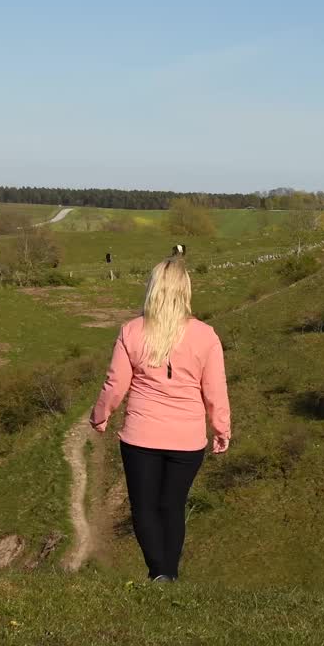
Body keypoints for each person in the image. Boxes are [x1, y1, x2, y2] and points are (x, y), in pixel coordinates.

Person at [90, 248, 230, 582]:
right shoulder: (205, 336)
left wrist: (100, 415)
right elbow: (215, 390)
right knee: (172, 506)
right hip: (188, 439)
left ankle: (159, 574)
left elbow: (115, 383)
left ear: (153, 288)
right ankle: (169, 574)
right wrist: (221, 429)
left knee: (144, 508)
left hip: (141, 436)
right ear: (186, 291)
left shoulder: (132, 331)